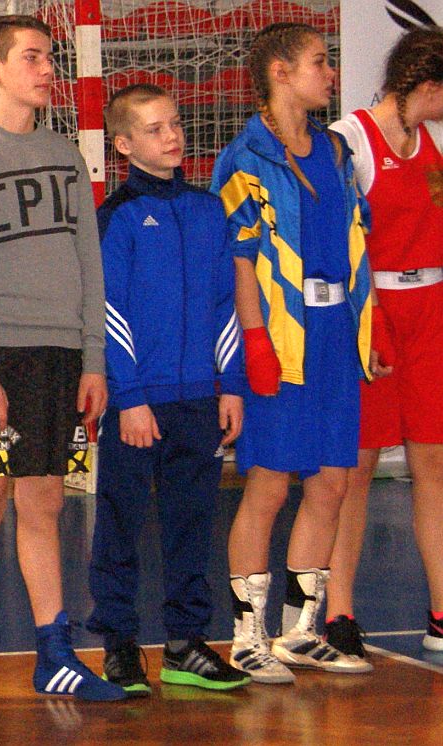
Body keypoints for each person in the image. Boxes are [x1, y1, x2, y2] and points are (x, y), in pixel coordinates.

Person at [0, 15, 124, 702]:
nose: (47, 69)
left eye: (50, 57)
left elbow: (89, 262)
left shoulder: (66, 153)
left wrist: (93, 356)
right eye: (32, 57)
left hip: (63, 355)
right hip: (0, 356)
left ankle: (55, 653)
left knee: (45, 500)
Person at [211, 22, 382, 684]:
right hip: (282, 337)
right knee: (270, 483)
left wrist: (371, 323)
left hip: (337, 332)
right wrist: (254, 339)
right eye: (318, 62)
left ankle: (300, 630)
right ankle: (245, 636)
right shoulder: (244, 157)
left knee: (333, 481)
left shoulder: (336, 151)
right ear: (279, 72)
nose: (330, 74)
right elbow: (241, 258)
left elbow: (358, 240)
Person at [85, 84, 250, 695]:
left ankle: (185, 644)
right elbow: (109, 312)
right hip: (139, 403)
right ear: (124, 145)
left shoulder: (208, 211)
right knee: (120, 523)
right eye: (155, 129)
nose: (173, 136)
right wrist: (129, 398)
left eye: (175, 124)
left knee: (192, 522)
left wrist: (230, 385)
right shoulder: (117, 217)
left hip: (199, 400)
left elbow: (224, 303)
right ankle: (119, 646)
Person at [324, 27, 443, 659]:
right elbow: (335, 241)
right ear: (429, 84)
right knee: (358, 466)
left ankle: (442, 613)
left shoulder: (431, 141)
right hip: (374, 311)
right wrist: (359, 320)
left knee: (434, 461)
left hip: (431, 309)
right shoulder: (351, 139)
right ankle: (338, 609)